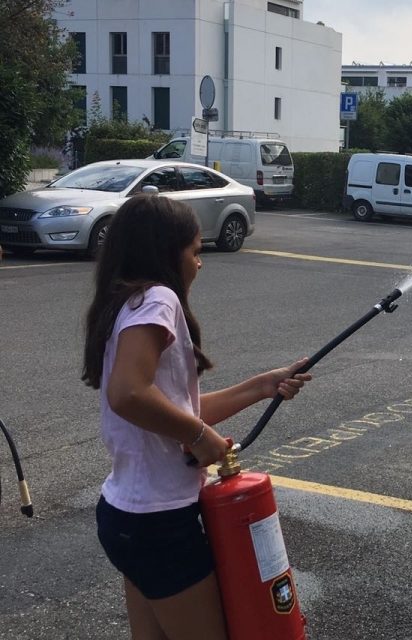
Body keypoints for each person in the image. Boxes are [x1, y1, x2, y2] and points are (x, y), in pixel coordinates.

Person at [81, 194, 312, 640]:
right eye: (194, 252)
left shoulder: (127, 302)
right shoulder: (160, 298)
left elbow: (166, 406)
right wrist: (200, 435)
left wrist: (262, 385)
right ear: (167, 253)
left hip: (125, 516)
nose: (199, 264)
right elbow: (128, 394)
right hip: (159, 525)